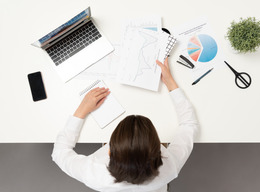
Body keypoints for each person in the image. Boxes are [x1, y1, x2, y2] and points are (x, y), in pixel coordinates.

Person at [52, 58, 199, 192]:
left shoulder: (94, 173)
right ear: (159, 152)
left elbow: (59, 153)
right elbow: (188, 124)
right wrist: (170, 82)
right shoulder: (170, 166)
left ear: (109, 151)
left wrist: (82, 110)